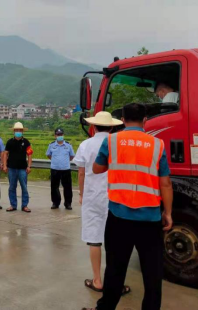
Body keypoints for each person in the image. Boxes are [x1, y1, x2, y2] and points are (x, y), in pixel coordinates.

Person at [82, 103, 173, 310]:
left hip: (119, 217)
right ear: (145, 120)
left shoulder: (111, 141)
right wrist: (167, 213)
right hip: (150, 218)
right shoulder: (157, 144)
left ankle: (105, 307)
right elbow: (166, 183)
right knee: (152, 273)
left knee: (115, 269)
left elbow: (97, 169)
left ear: (122, 120)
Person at [73, 112, 129, 295]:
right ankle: (116, 283)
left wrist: (82, 194)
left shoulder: (86, 145)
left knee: (94, 239)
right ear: (112, 127)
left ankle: (97, 280)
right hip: (116, 196)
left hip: (93, 197)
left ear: (93, 126)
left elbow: (81, 173)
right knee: (116, 241)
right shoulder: (118, 144)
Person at [3, 122, 33, 213]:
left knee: (24, 187)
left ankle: (24, 205)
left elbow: (30, 154)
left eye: (20, 130)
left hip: (22, 169)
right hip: (11, 168)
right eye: (17, 130)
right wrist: (5, 165)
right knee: (12, 187)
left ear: (22, 131)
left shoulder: (26, 142)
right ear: (14, 131)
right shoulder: (9, 142)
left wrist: (29, 166)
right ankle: (13, 205)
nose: (18, 132)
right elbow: (5, 154)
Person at [46, 128, 75, 209]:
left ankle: (68, 203)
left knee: (67, 187)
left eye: (61, 134)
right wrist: (56, 161)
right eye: (58, 135)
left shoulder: (68, 145)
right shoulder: (51, 145)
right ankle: (55, 203)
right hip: (55, 169)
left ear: (63, 135)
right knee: (54, 187)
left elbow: (72, 156)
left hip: (66, 169)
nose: (59, 136)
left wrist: (64, 161)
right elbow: (48, 155)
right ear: (55, 136)